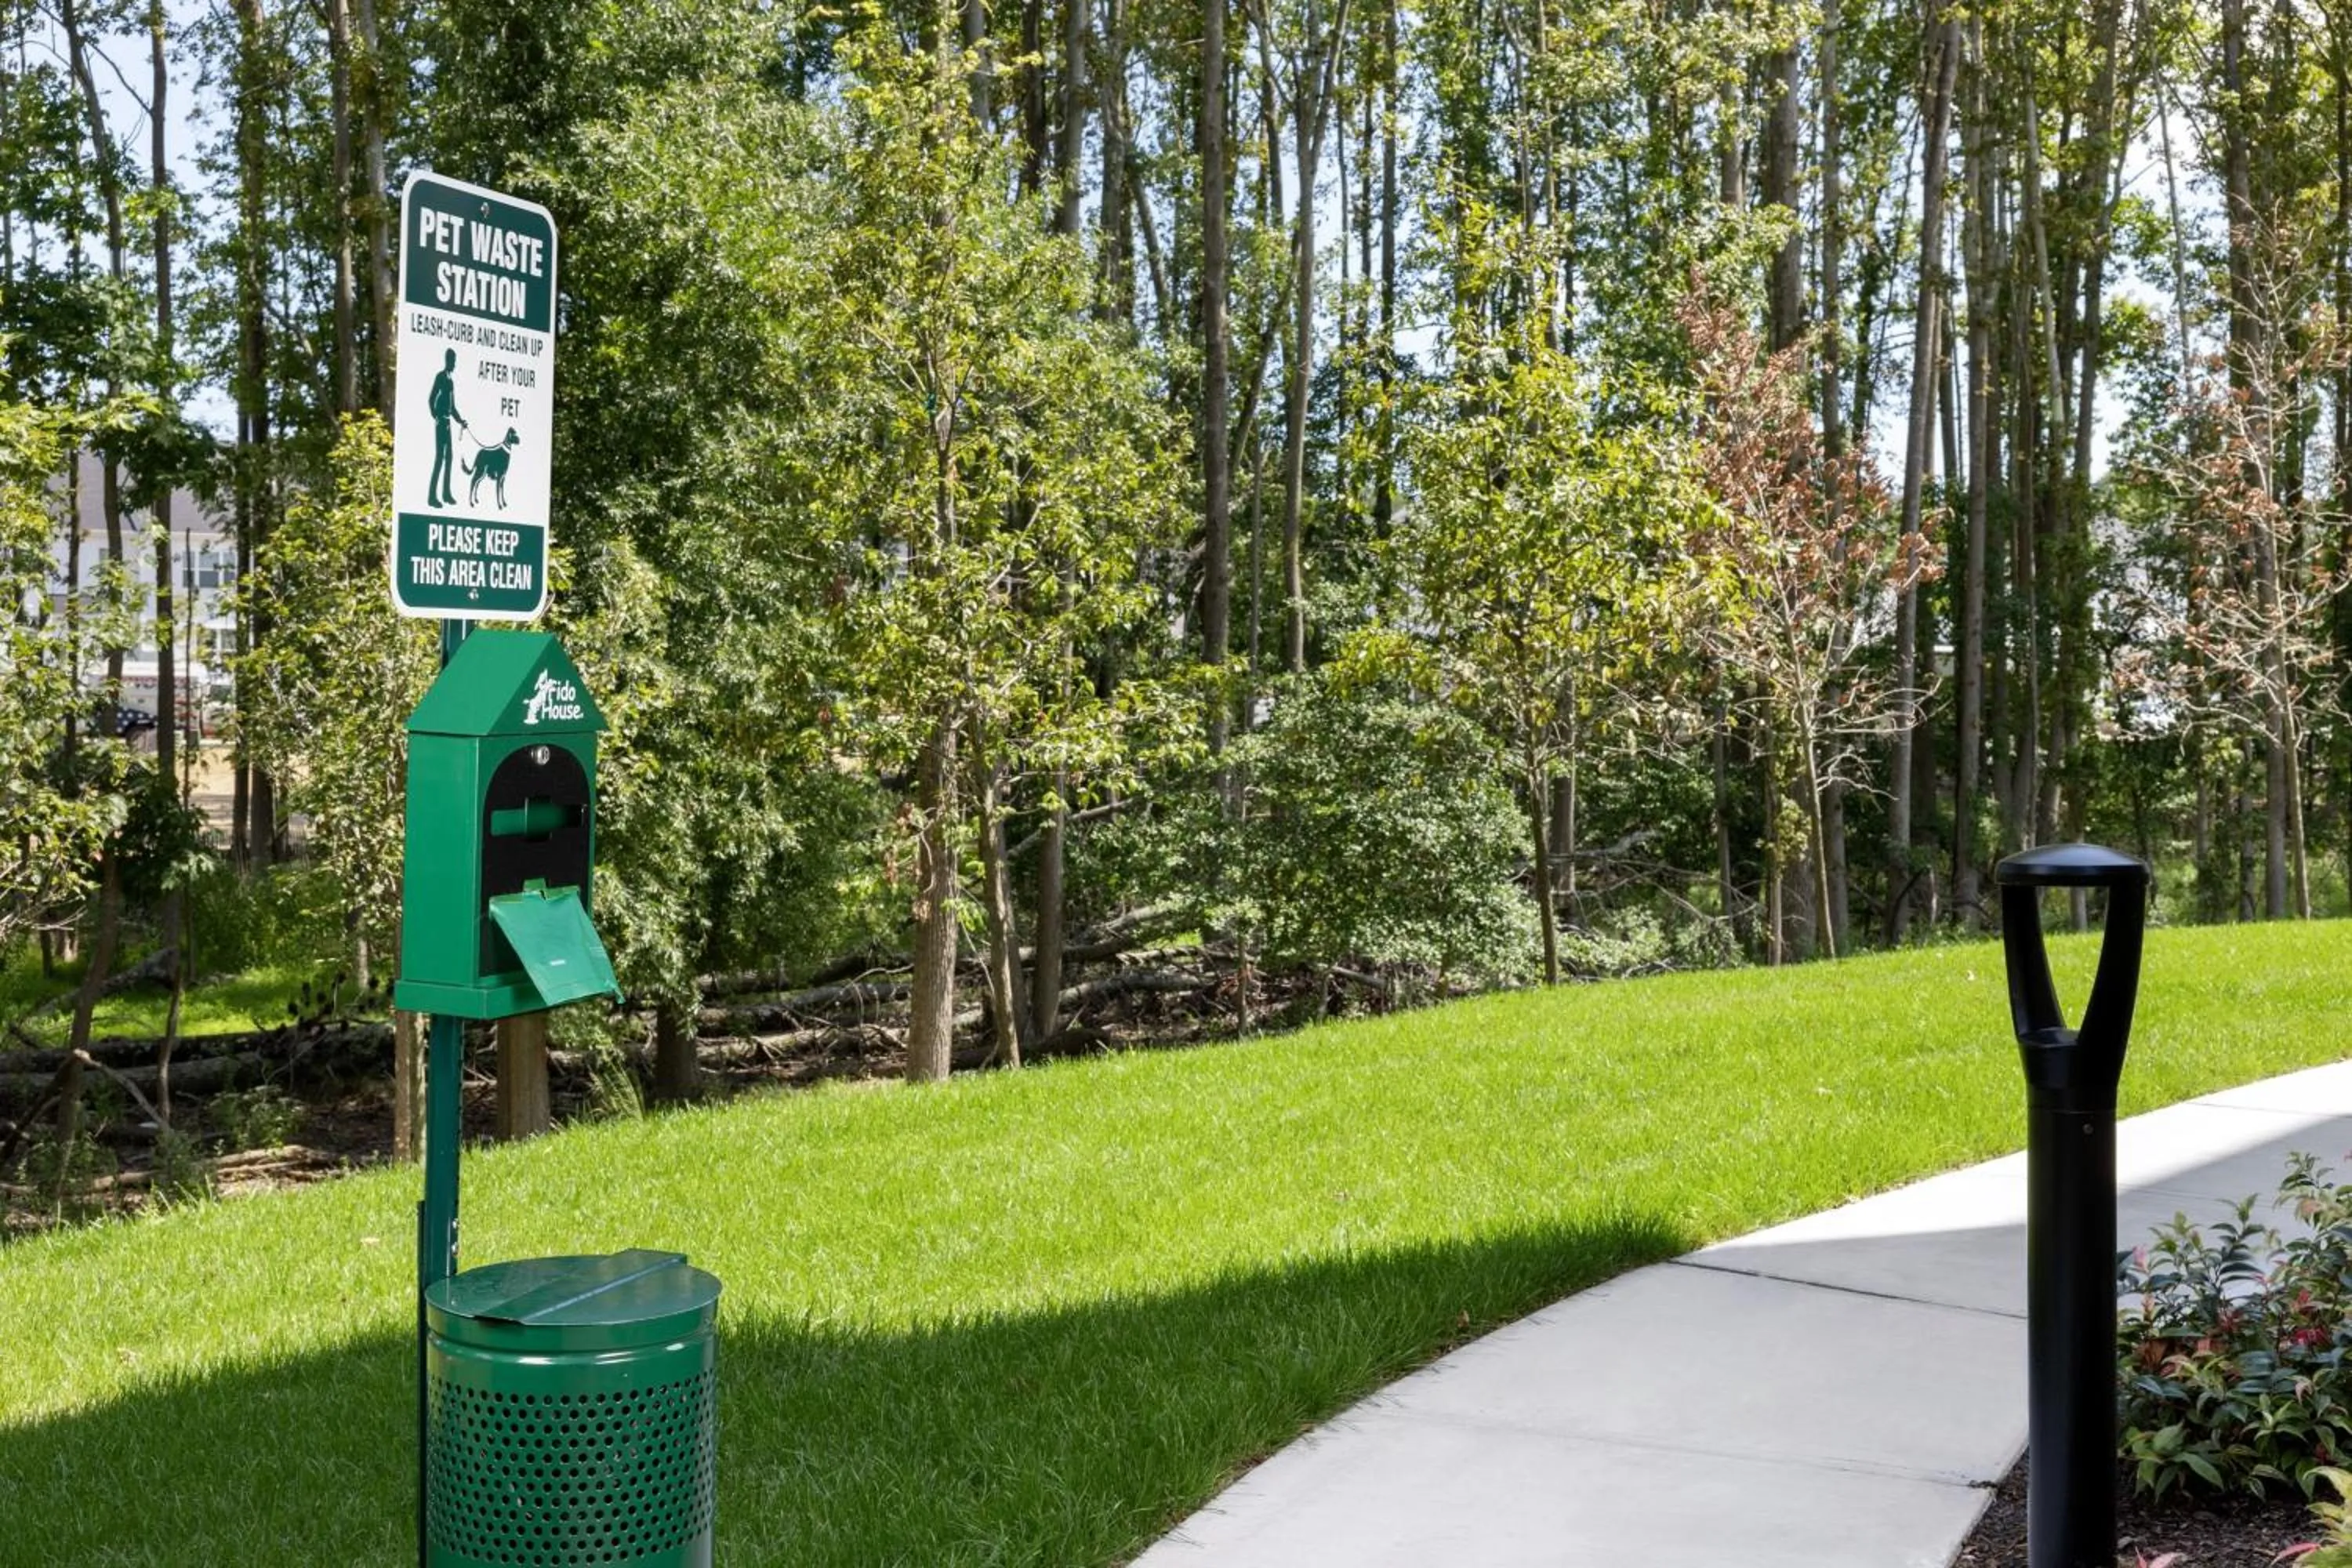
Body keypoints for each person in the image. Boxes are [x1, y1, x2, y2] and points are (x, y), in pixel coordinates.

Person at [427, 349, 468, 507]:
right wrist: (436, 416)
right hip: (441, 423)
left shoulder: (451, 381)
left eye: (455, 361)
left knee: (449, 458)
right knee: (439, 459)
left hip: (448, 423)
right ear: (448, 361)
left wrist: (460, 421)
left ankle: (446, 494)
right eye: (453, 361)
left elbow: (453, 407)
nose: (454, 364)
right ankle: (432, 497)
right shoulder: (441, 377)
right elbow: (431, 398)